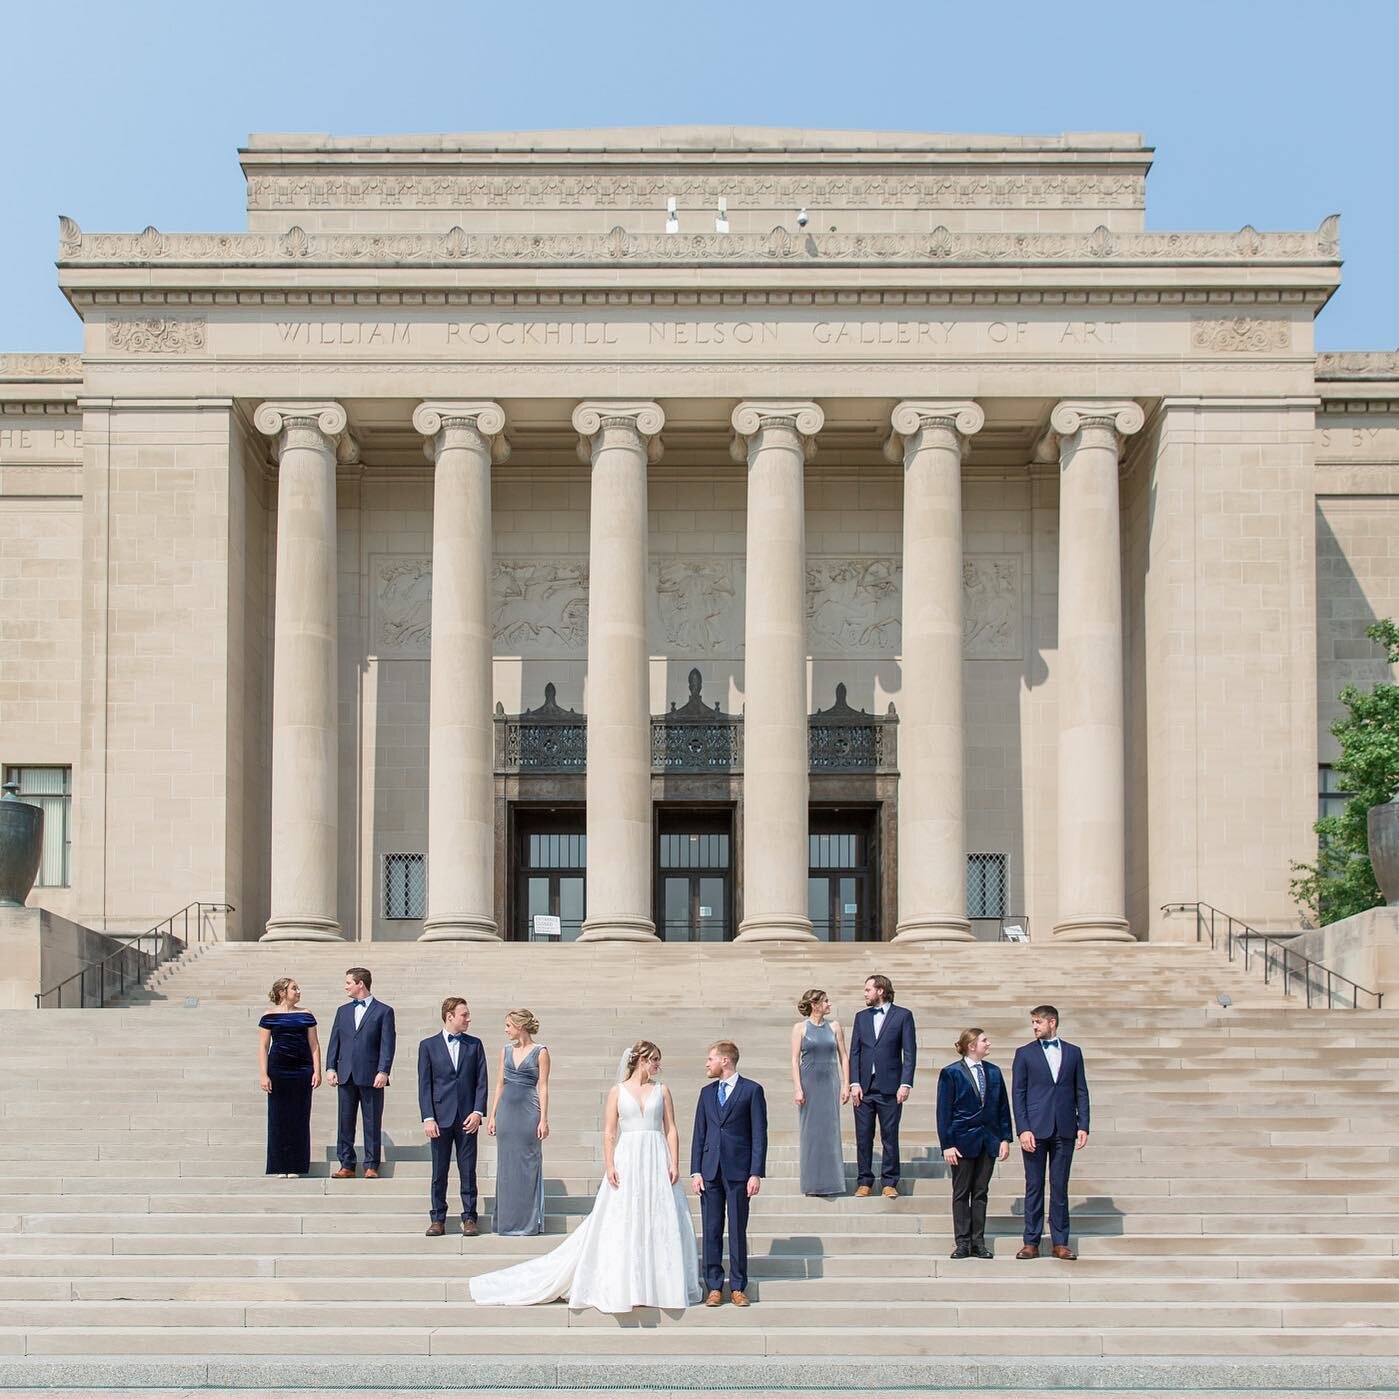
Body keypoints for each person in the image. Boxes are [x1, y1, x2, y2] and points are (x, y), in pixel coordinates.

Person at [470, 1040, 700, 1313]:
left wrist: (674, 1162)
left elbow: (671, 1128)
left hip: (655, 1156)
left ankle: (658, 1284)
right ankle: (628, 1283)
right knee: (625, 1217)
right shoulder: (618, 1091)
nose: (658, 1066)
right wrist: (609, 1164)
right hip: (628, 1157)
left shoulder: (662, 1091)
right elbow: (609, 1132)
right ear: (641, 1060)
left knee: (657, 1219)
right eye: (654, 1060)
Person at [691, 1039, 768, 1307]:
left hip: (739, 1171)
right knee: (711, 1229)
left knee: (737, 1230)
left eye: (710, 1059)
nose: (707, 1064)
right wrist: (696, 1170)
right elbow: (699, 1133)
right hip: (710, 1171)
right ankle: (713, 1286)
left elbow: (759, 1134)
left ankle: (737, 1286)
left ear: (725, 1060)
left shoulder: (752, 1091)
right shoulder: (706, 1093)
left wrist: (755, 1172)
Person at [1011, 1003, 1090, 1261]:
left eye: (1038, 1022)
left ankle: (1060, 1242)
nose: (1034, 1027)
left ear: (1052, 1022)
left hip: (1064, 1128)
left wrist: (1083, 1125)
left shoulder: (1073, 1052)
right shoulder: (1024, 1054)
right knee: (1034, 1185)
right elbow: (1018, 1094)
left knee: (1060, 1187)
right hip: (1035, 1129)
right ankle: (1030, 1241)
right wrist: (1022, 1129)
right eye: (1033, 1023)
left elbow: (1081, 1090)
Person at [936, 1028, 1012, 1259]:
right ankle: (962, 1242)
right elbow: (943, 1111)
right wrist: (947, 1144)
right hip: (961, 1141)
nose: (988, 1044)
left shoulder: (994, 1072)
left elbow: (1002, 1108)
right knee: (961, 1193)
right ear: (971, 1045)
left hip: (988, 1140)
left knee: (980, 1192)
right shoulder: (951, 1073)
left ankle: (978, 1241)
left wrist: (1005, 1138)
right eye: (983, 1040)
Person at [418, 996, 488, 1237]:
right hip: (440, 1117)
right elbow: (424, 1085)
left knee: (468, 1170)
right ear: (450, 1016)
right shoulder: (428, 1046)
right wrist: (428, 1117)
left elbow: (482, 1081)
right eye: (464, 1015)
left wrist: (478, 1112)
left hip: (467, 1118)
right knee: (439, 1171)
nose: (468, 1019)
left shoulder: (475, 1044)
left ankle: (470, 1217)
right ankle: (438, 1217)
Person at [847, 974, 917, 1198]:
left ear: (881, 991)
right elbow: (855, 1052)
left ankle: (889, 1181)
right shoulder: (861, 1017)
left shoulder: (903, 1016)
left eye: (868, 989)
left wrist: (905, 1083)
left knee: (889, 1135)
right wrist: (854, 1082)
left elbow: (910, 1052)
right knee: (863, 1135)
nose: (865, 993)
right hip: (864, 1087)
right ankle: (864, 1181)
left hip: (891, 1086)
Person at [325, 967, 396, 1179]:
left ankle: (371, 1164)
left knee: (372, 1120)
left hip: (371, 1075)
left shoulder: (384, 1011)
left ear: (360, 984)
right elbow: (334, 1041)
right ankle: (346, 1164)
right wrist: (330, 1067)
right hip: (345, 1074)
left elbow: (388, 1044)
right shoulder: (342, 1011)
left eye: (348, 982)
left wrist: (383, 1070)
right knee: (344, 1121)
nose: (346, 986)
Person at [486, 1008, 549, 1236]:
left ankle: (529, 1222)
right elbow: (499, 1084)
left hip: (529, 1112)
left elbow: (543, 1087)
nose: (506, 1030)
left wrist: (543, 1118)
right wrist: (492, 1115)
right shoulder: (505, 1051)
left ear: (520, 1026)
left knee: (528, 1164)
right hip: (506, 1112)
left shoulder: (540, 1052)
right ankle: (507, 1221)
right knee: (507, 1166)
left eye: (508, 1026)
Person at [257, 977, 321, 1177]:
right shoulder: (269, 1016)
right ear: (282, 992)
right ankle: (279, 1165)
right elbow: (263, 1046)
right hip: (278, 1070)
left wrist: (317, 1070)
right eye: (294, 988)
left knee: (300, 1117)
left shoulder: (306, 1014)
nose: (298, 991)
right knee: (278, 1118)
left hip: (302, 1070)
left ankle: (296, 1165)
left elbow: (315, 1044)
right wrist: (263, 1074)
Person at [790, 988, 849, 1197]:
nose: (829, 1005)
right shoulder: (800, 1028)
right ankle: (812, 1182)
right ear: (814, 1005)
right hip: (809, 1082)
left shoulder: (834, 1026)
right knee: (811, 1133)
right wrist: (798, 1087)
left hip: (830, 1081)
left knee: (830, 1130)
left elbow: (844, 1056)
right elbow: (795, 1059)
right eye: (825, 1001)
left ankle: (831, 1181)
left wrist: (845, 1084)